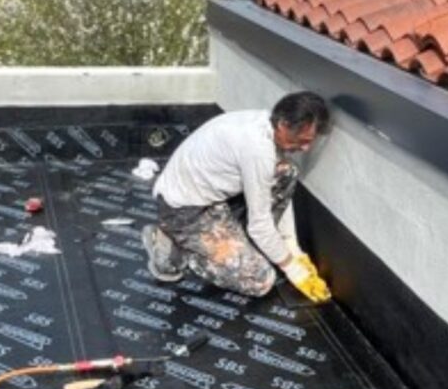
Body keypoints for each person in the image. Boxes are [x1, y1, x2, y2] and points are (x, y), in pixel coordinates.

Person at [141, 91, 331, 303]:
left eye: (310, 142)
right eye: (302, 140)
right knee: (260, 279)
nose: (305, 148)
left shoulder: (268, 122)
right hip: (183, 210)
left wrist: (293, 248)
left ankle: (237, 240)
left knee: (287, 172)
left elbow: (276, 190)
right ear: (283, 124)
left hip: (212, 195)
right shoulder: (257, 149)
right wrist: (293, 269)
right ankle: (172, 246)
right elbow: (259, 226)